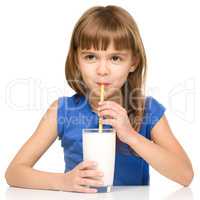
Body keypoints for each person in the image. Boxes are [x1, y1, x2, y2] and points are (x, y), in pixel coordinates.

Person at [5, 5, 194, 193]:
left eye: (115, 58)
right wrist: (63, 182)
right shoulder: (62, 111)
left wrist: (130, 136)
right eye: (91, 57)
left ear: (133, 62)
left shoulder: (147, 110)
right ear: (76, 61)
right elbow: (14, 173)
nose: (102, 70)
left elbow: (185, 175)